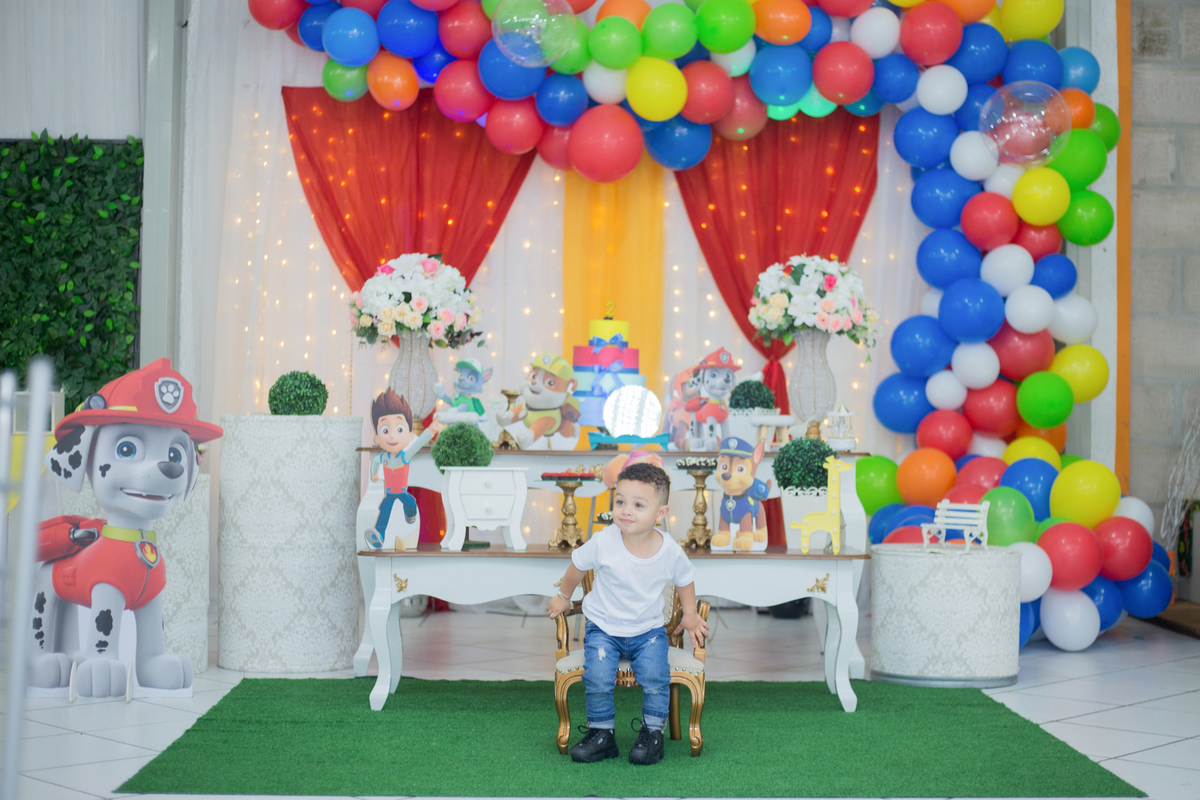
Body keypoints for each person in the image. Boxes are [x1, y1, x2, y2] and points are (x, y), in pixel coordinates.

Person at [548, 462, 709, 765]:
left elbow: (685, 579)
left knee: (656, 677)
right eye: (620, 501)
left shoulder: (669, 550)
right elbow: (577, 566)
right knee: (597, 676)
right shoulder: (604, 540)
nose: (625, 511)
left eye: (638, 505)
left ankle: (652, 733)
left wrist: (689, 613)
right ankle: (602, 733)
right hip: (603, 629)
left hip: (648, 632)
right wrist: (563, 597)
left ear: (661, 513)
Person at [365, 389, 441, 550]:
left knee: (411, 504)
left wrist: (430, 431)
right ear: (377, 437)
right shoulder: (384, 457)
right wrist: (374, 474)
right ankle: (379, 535)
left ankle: (410, 514)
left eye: (399, 430)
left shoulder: (404, 457)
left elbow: (418, 444)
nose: (392, 436)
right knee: (384, 511)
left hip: (402, 492)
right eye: (385, 431)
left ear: (409, 435)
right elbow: (375, 461)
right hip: (390, 494)